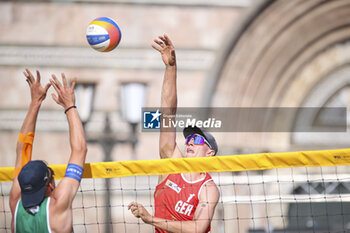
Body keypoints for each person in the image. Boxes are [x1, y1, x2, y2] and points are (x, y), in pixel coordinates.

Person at [128, 35, 220, 233]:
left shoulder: (208, 189)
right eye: (188, 138)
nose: (189, 142)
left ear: (210, 153)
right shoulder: (172, 163)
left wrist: (151, 219)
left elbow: (197, 228)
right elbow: (168, 113)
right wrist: (171, 69)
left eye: (196, 139)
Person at [9, 69, 87, 233]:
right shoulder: (57, 207)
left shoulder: (16, 204)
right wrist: (70, 105)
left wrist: (35, 103)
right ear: (50, 185)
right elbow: (80, 149)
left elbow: (22, 148)